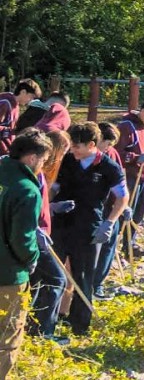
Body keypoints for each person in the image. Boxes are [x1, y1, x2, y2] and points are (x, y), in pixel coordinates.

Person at [52, 123, 129, 336]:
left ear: (91, 145)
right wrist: (48, 207)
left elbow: (122, 197)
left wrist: (110, 222)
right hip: (61, 224)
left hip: (89, 228)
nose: (73, 150)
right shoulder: (67, 161)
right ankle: (49, 320)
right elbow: (54, 187)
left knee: (83, 276)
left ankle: (79, 326)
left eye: (77, 146)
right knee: (55, 274)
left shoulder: (109, 167)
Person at [0, 131, 47, 380]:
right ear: (31, 158)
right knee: (7, 332)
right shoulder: (27, 190)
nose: (43, 167)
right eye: (43, 160)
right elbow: (23, 238)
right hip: (7, 274)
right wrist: (31, 259)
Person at [27, 131, 69, 339]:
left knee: (36, 283)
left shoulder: (41, 173)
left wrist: (52, 207)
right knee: (57, 279)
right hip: (36, 236)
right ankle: (44, 331)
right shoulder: (35, 174)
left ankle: (30, 327)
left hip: (40, 232)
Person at [88, 123, 127, 300]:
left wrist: (124, 206)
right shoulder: (85, 157)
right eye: (107, 143)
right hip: (94, 208)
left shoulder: (112, 155)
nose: (109, 147)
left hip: (112, 208)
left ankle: (98, 285)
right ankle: (85, 283)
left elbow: (121, 182)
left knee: (108, 247)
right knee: (92, 248)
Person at [114, 99, 144, 227]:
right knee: (126, 211)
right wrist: (135, 158)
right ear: (142, 111)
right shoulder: (126, 126)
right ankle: (117, 242)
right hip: (130, 176)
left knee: (138, 214)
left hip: (143, 177)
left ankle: (129, 245)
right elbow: (115, 154)